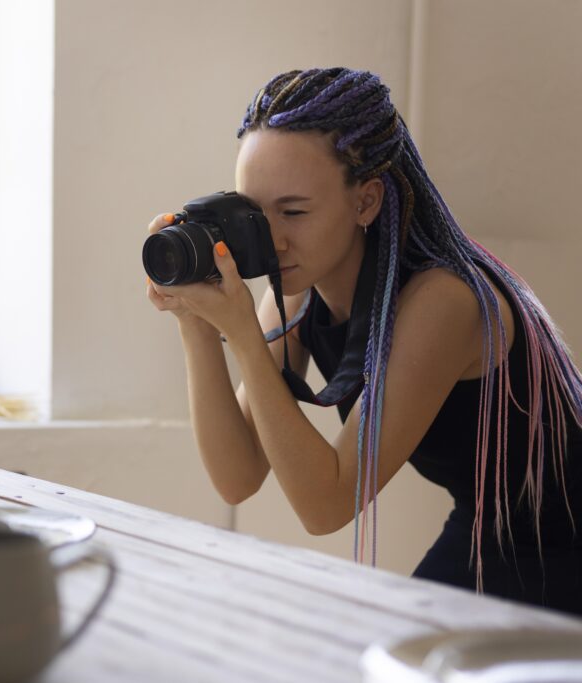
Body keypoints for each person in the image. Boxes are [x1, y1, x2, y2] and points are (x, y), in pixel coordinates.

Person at [146, 67, 582, 615]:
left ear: (366, 202)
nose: (273, 239)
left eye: (295, 211)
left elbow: (325, 505)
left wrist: (242, 335)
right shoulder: (299, 292)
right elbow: (237, 477)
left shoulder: (443, 301)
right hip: (490, 524)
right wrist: (195, 325)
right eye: (256, 214)